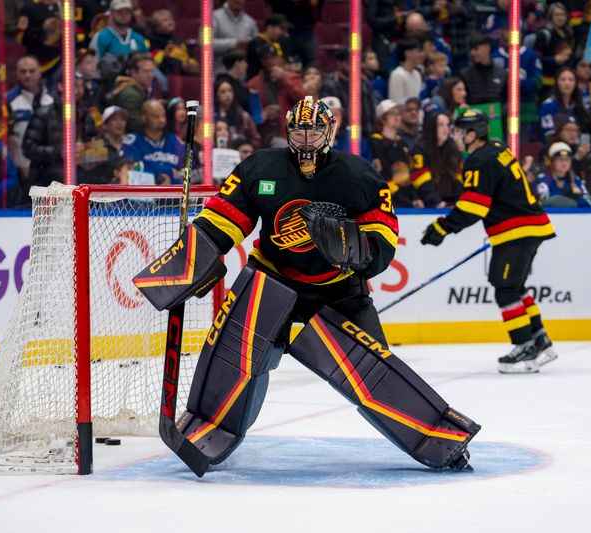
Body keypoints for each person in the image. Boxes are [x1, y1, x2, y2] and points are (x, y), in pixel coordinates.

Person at [149, 95, 480, 475]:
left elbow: (384, 243)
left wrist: (358, 252)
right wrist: (192, 260)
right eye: (299, 130)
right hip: (270, 282)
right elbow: (222, 221)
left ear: (330, 131)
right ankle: (207, 433)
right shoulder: (260, 167)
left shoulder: (358, 175)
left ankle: (438, 441)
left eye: (314, 130)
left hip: (338, 288)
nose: (306, 138)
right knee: (234, 361)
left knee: (376, 373)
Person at [420, 109, 558, 373]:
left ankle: (525, 345)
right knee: (514, 287)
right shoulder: (498, 148)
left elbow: (473, 208)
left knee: (504, 287)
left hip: (516, 231)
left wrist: (442, 227)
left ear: (472, 134)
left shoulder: (479, 159)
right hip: (529, 226)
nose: (457, 136)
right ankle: (539, 339)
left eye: (461, 132)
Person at [22, 75, 97, 190]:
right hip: (47, 185)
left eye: (81, 86)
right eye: (75, 86)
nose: (79, 90)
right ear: (61, 86)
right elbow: (28, 148)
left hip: (79, 184)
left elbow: (97, 152)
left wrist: (86, 151)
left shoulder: (87, 115)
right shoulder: (43, 114)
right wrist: (59, 152)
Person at [7, 55, 54, 181]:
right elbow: (7, 138)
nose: (27, 75)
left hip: (51, 167)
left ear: (40, 72)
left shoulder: (52, 98)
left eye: (32, 71)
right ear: (17, 74)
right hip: (22, 169)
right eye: (23, 71)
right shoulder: (8, 101)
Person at [369, 99, 420, 208]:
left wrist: (415, 197)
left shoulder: (401, 143)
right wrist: (402, 199)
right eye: (392, 113)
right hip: (389, 201)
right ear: (382, 118)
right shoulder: (376, 142)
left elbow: (408, 174)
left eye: (398, 113)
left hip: (405, 198)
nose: (397, 116)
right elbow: (383, 176)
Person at [122, 99, 184, 184]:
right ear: (144, 118)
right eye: (156, 116)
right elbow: (130, 169)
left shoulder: (174, 140)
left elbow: (186, 168)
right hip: (144, 195)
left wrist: (179, 177)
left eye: (163, 116)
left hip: (173, 195)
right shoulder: (132, 142)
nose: (161, 120)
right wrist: (158, 177)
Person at [409, 112, 461, 207]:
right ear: (432, 128)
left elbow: (458, 179)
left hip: (449, 203)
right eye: (441, 125)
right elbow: (421, 180)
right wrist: (437, 202)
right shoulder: (420, 148)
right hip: (426, 204)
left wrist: (459, 201)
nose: (446, 129)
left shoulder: (453, 149)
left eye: (448, 125)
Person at [88, 0, 149, 64]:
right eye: (120, 12)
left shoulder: (139, 38)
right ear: (111, 13)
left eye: (127, 12)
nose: (124, 15)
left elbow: (147, 64)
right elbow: (92, 63)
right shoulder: (101, 37)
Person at [535, 142, 591, 207]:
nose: (564, 163)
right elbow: (543, 202)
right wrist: (567, 197)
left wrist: (578, 198)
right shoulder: (543, 179)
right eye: (560, 159)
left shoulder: (576, 181)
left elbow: (589, 203)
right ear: (552, 161)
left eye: (567, 159)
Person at [110, 53, 155, 133]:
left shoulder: (138, 90)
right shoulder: (131, 94)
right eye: (146, 71)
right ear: (134, 72)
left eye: (151, 71)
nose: (150, 75)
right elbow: (135, 126)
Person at [211, 0, 259, 75]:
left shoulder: (251, 22)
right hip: (218, 74)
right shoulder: (211, 18)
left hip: (243, 77)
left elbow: (257, 47)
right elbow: (204, 43)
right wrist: (234, 43)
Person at [320, 96, 373, 162]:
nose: (332, 119)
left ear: (341, 116)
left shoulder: (353, 137)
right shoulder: (313, 138)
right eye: (328, 115)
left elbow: (366, 164)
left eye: (336, 114)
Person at [460, 33, 506, 105]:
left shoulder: (503, 74)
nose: (472, 53)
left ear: (487, 48)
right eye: (471, 50)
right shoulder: (464, 74)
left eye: (476, 49)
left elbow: (508, 103)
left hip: (498, 115)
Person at [214, 79, 262, 148]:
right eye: (223, 92)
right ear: (216, 96)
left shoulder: (243, 116)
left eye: (230, 91)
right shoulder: (210, 115)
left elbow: (256, 139)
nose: (227, 94)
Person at [388, 38, 425, 104]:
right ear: (407, 53)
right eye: (418, 51)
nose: (421, 55)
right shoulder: (398, 74)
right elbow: (396, 102)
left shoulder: (417, 74)